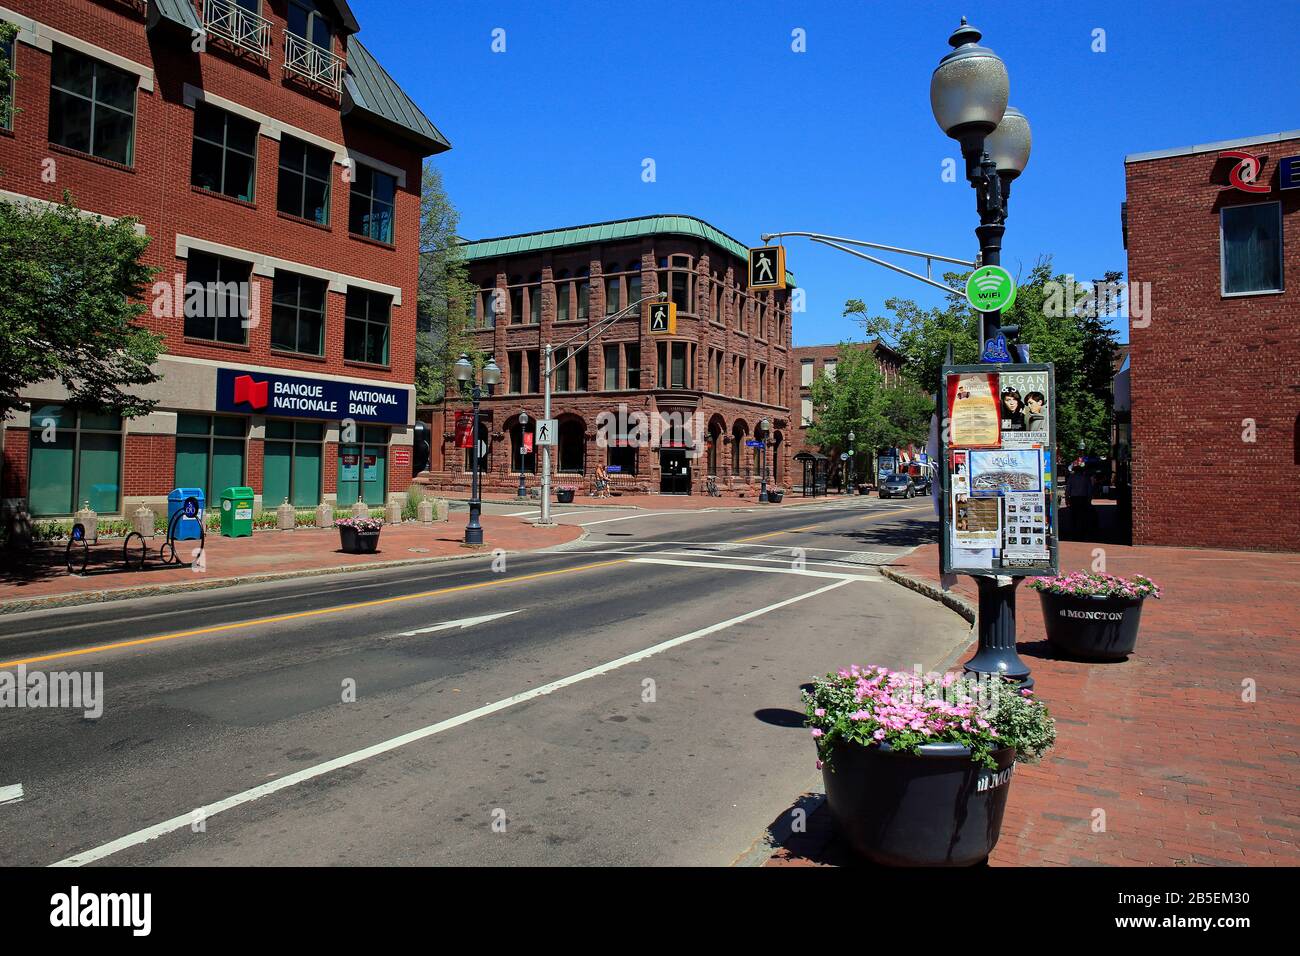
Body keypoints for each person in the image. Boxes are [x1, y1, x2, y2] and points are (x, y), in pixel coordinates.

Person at [1066, 465, 1094, 537]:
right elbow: (1089, 490)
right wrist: (1089, 499)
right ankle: (1083, 529)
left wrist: (1067, 498)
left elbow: (1068, 489)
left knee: (1074, 514)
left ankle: (1074, 529)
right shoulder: (1085, 478)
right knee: (1083, 515)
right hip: (1083, 498)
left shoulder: (1071, 478)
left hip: (1074, 498)